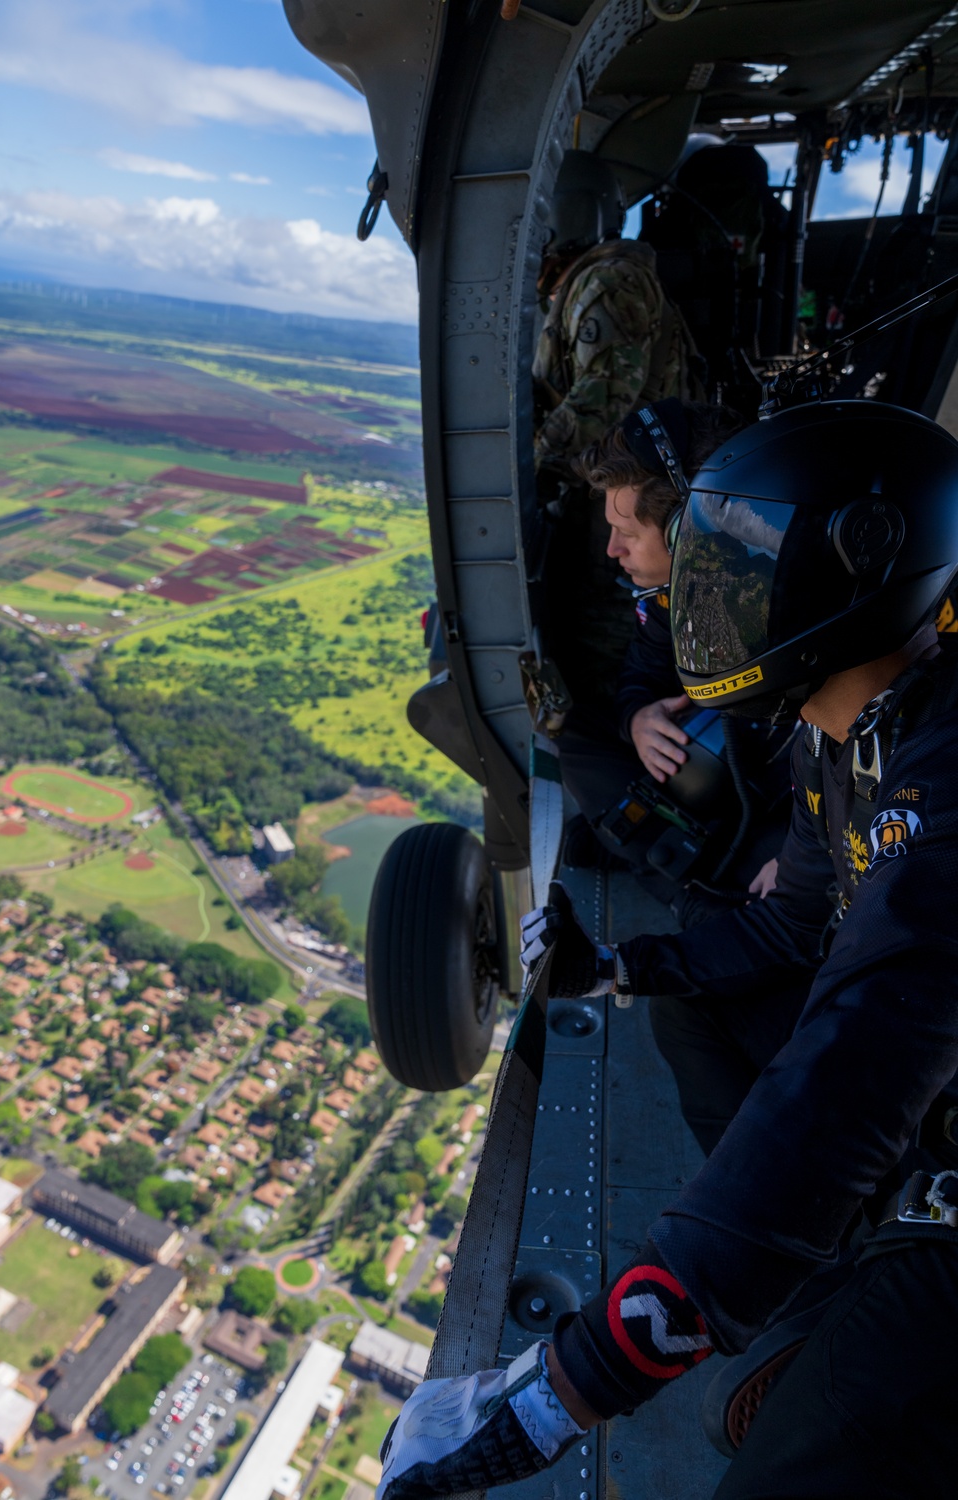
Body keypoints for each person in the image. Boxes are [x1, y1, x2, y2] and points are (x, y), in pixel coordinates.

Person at [375, 399, 958, 1500]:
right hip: (922, 1133)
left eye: (730, 567)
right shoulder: (844, 743)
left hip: (931, 1147)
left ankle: (821, 1278)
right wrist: (619, 970)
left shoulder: (943, 766)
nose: (700, 600)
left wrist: (561, 1389)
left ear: (842, 573)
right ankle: (810, 1274)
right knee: (690, 1006)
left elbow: (855, 1065)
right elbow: (791, 930)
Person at [557, 399, 789, 898]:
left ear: (692, 529)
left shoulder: (788, 593)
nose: (612, 551)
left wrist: (811, 850)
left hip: (790, 802)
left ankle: (663, 865)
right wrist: (638, 719)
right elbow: (641, 673)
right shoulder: (674, 591)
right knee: (579, 735)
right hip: (715, 765)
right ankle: (663, 855)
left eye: (627, 534)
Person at [533, 150, 702, 714]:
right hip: (617, 490)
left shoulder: (608, 282)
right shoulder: (585, 285)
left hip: (637, 496)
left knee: (611, 622)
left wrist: (533, 465)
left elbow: (602, 399)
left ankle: (623, 731)